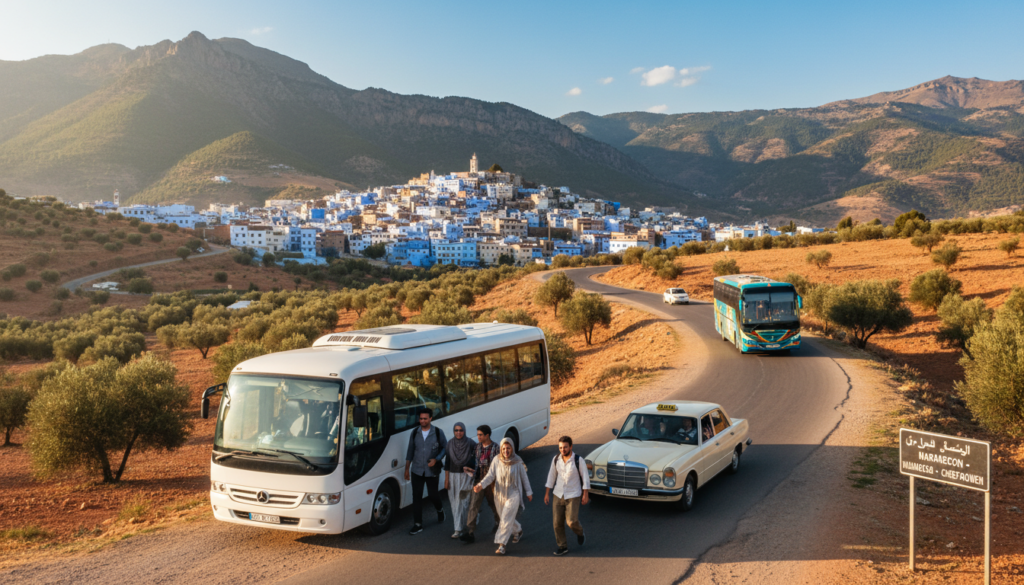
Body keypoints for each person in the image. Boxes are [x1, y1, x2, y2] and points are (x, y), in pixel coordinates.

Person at [473, 437, 532, 555]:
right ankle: (518, 531)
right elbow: (490, 476)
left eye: (508, 448)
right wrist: (480, 485)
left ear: (512, 448)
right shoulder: (496, 460)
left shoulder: (517, 461)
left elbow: (524, 478)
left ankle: (502, 545)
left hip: (513, 493)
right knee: (506, 517)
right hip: (499, 494)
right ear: (501, 449)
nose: (506, 451)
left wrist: (529, 492)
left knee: (505, 518)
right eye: (504, 448)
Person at [544, 435, 590, 556]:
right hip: (558, 494)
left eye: (565, 447)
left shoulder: (578, 460)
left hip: (573, 494)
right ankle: (562, 546)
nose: (562, 450)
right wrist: (547, 493)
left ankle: (580, 532)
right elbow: (551, 476)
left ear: (570, 447)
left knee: (571, 521)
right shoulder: (556, 459)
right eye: (560, 447)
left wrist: (585, 494)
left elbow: (585, 478)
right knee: (557, 523)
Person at [405, 408, 447, 535]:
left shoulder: (438, 432)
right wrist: (406, 469)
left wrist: (437, 459)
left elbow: (445, 448)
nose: (422, 421)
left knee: (433, 494)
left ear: (430, 419)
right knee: (416, 497)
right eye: (420, 418)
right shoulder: (414, 433)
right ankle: (418, 524)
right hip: (416, 470)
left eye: (425, 418)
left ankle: (440, 510)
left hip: (431, 470)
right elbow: (410, 452)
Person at [460, 425, 501, 544]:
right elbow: (476, 464)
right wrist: (470, 470)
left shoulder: (496, 448)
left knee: (494, 504)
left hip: (491, 482)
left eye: (480, 435)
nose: (478, 437)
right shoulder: (477, 447)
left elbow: (497, 468)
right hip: (479, 480)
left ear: (487, 435)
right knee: (473, 505)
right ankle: (470, 532)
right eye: (478, 434)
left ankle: (499, 524)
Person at [444, 422, 476, 539]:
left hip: (465, 477)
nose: (458, 432)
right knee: (455, 503)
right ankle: (458, 528)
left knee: (464, 502)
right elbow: (447, 463)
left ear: (465, 431)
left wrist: (474, 473)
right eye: (456, 430)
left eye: (461, 430)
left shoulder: (470, 443)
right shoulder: (450, 444)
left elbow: (477, 458)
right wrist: (446, 479)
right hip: (452, 476)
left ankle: (466, 525)